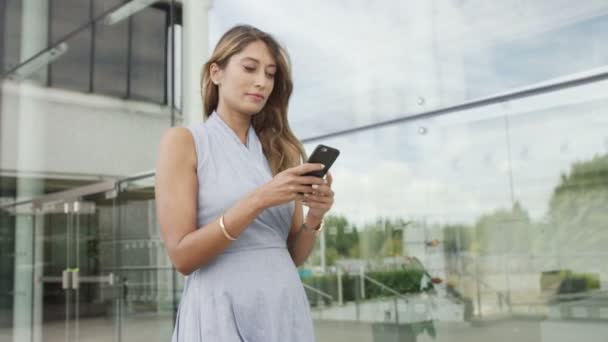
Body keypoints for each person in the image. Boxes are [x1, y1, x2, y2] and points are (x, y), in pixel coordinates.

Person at [155, 24, 335, 342]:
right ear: (216, 73)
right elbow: (182, 257)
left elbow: (291, 254)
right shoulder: (184, 142)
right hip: (218, 310)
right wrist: (258, 200)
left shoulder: (281, 151)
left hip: (283, 309)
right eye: (250, 68)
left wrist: (314, 219)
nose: (261, 82)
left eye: (270, 74)